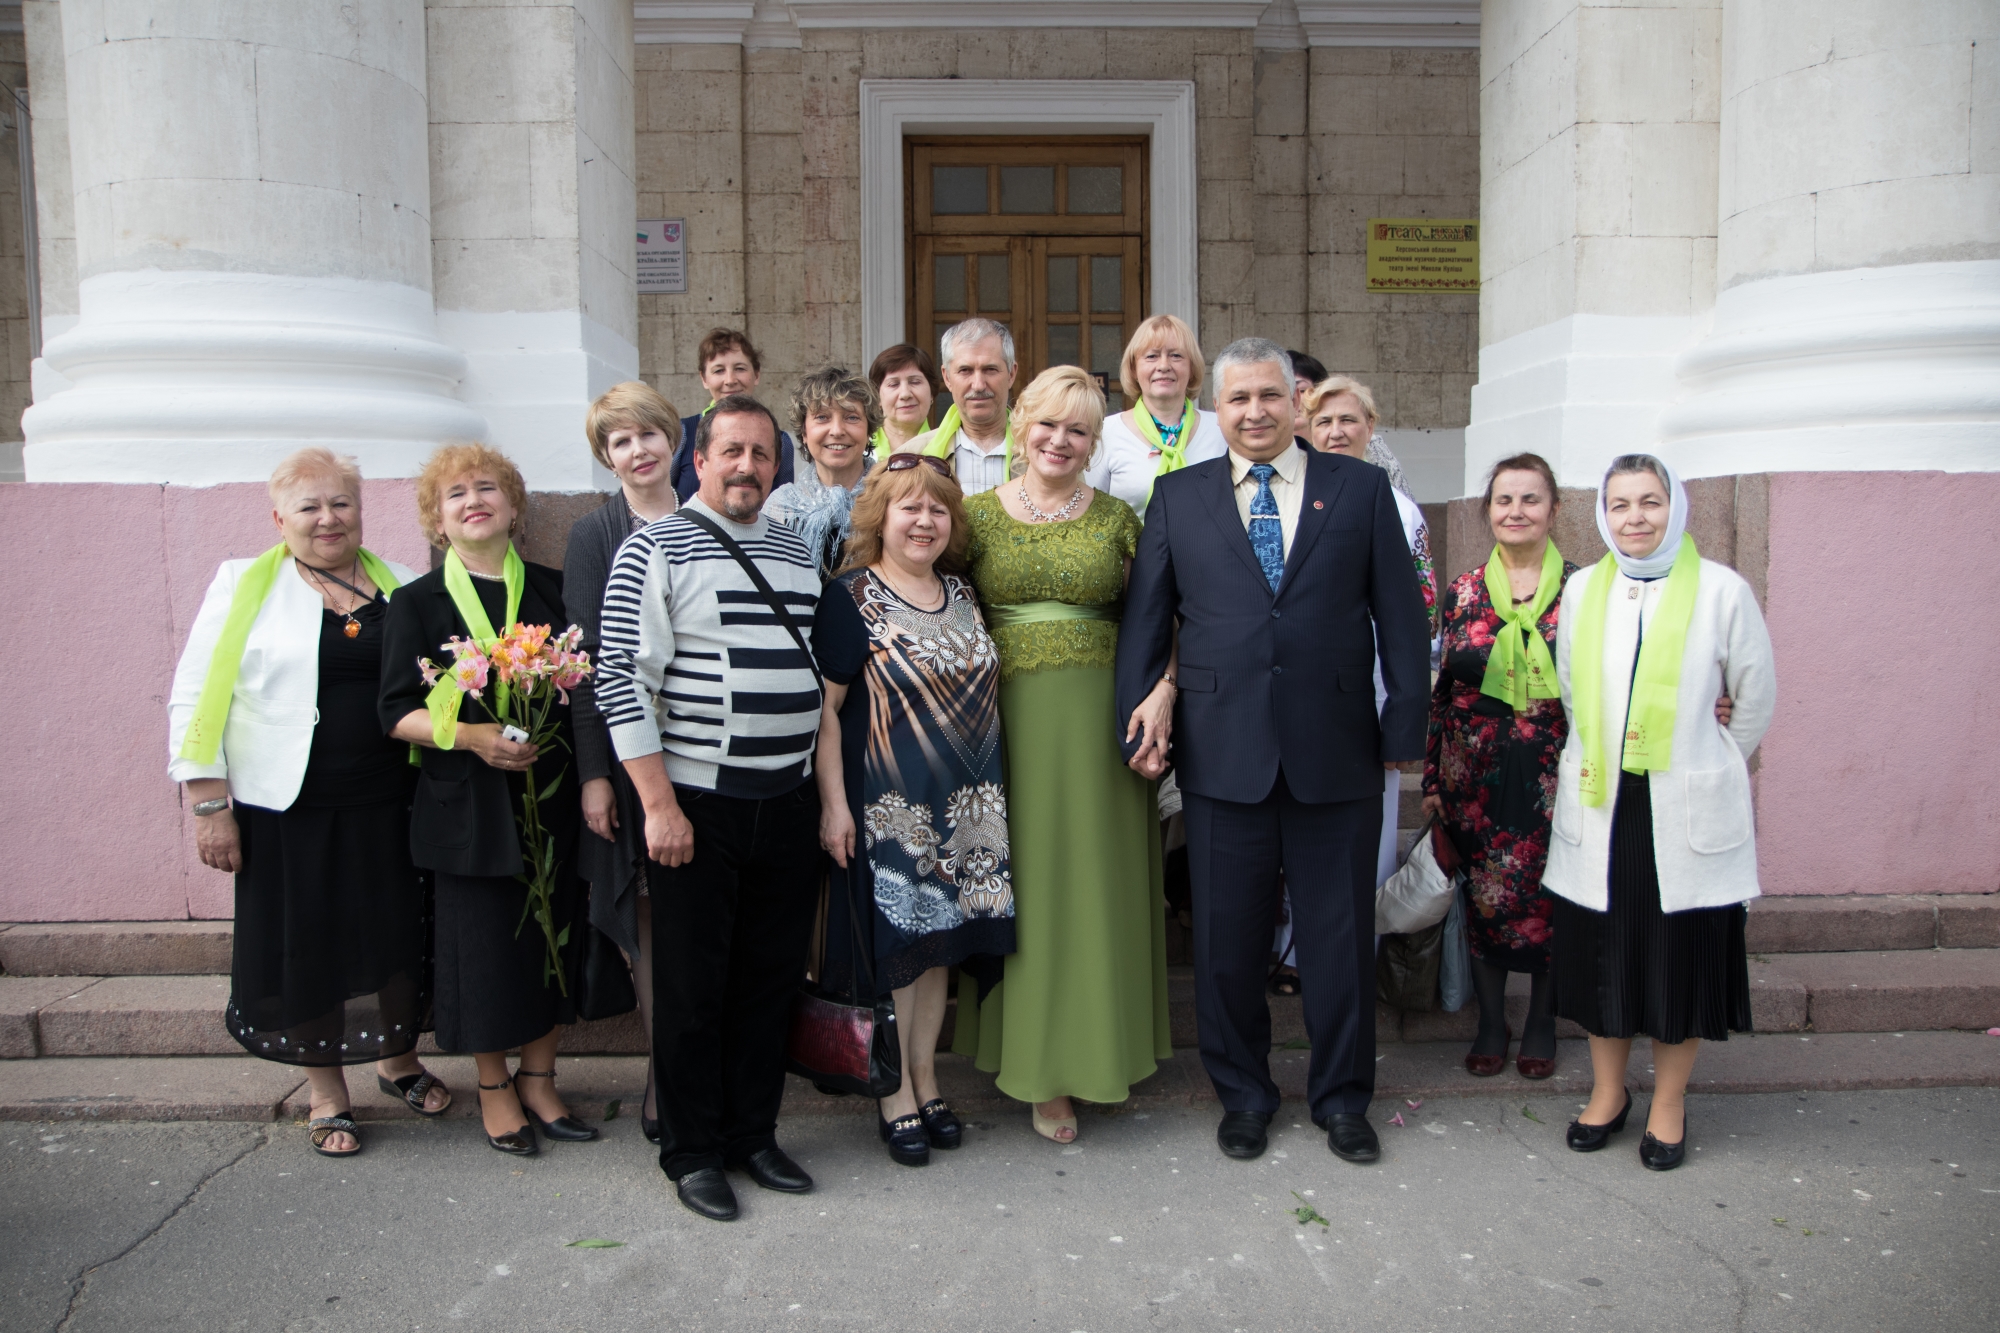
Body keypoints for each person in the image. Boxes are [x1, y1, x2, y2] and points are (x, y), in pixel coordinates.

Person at [1116, 339, 1429, 1166]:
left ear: (1297, 402)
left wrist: (1404, 729)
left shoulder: (1359, 489)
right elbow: (1148, 620)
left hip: (1339, 750)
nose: (1254, 412)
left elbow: (1402, 618)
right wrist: (1138, 723)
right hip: (1223, 751)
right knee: (1227, 943)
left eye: (1268, 396)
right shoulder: (1178, 496)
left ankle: (1342, 1098)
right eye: (1237, 399)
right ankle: (1245, 1096)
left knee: (1338, 941)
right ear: (1216, 410)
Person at [594, 393, 826, 1222]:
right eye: (731, 451)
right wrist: (658, 805)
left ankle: (752, 1134)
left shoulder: (796, 550)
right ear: (700, 460)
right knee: (693, 989)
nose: (747, 467)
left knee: (769, 980)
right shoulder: (654, 547)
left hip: (787, 799)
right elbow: (620, 679)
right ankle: (691, 1150)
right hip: (696, 803)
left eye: (762, 454)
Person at [168, 449, 437, 1158]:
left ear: (360, 510)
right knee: (309, 940)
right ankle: (326, 1091)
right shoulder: (244, 584)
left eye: (341, 502)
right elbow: (196, 691)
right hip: (287, 806)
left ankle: (397, 1060)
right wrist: (208, 801)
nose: (328, 518)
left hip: (391, 798)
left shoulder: (401, 583)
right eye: (309, 506)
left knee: (392, 931)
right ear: (278, 517)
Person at [953, 365, 1172, 1144]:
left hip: (1101, 727)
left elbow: (1163, 618)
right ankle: (1039, 1065)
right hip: (1003, 725)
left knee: (1093, 885)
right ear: (1021, 426)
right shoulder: (972, 517)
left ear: (1094, 442)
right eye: (1048, 424)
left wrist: (1164, 692)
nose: (1060, 440)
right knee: (1031, 885)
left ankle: (1101, 1047)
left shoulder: (1120, 519)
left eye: (1078, 430)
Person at [1546, 453, 1775, 1171]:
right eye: (1619, 504)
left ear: (1674, 508)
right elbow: (1571, 688)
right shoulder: (1584, 588)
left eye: (1649, 501)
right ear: (1602, 514)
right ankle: (1607, 1091)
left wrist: (1712, 753)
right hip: (1602, 803)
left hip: (1679, 805)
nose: (1635, 518)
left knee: (1679, 959)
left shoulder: (1721, 590)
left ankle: (1669, 1102)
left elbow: (1755, 695)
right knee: (1604, 955)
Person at [380, 443, 598, 1158]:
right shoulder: (416, 603)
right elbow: (395, 713)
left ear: (513, 505)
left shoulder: (554, 591)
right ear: (437, 520)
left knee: (552, 936)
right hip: (468, 805)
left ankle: (540, 1079)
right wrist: (472, 737)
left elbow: (584, 687)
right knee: (482, 950)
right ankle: (495, 1087)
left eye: (486, 488)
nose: (473, 501)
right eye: (456, 494)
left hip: (551, 794)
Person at [812, 454, 1017, 1167]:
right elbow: (825, 712)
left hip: (970, 809)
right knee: (900, 954)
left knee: (940, 953)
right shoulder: (850, 596)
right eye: (909, 507)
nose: (924, 521)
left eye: (937, 509)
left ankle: (927, 1080)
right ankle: (893, 1091)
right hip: (890, 807)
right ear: (881, 518)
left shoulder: (963, 592)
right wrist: (833, 806)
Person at [1421, 453, 1575, 1079]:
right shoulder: (1462, 590)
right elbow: (1441, 690)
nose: (1516, 511)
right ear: (1488, 511)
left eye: (1530, 499)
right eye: (1504, 500)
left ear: (1553, 510)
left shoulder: (1584, 591)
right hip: (1472, 771)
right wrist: (1432, 778)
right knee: (1481, 895)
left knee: (1552, 897)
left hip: (1553, 772)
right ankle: (1490, 1019)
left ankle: (1541, 1020)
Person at [565, 381, 682, 1145]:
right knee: (648, 922)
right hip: (629, 754)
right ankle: (664, 1073)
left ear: (673, 438)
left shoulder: (707, 516)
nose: (638, 450)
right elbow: (585, 663)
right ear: (607, 458)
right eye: (620, 441)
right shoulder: (594, 535)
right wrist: (594, 775)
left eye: (647, 434)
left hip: (705, 750)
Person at [1084, 314, 1227, 522]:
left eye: (1176, 356)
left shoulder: (1220, 429)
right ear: (1133, 369)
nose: (1163, 366)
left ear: (1192, 368)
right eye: (1151, 356)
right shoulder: (1105, 433)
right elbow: (1091, 517)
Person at [763, 366, 881, 581]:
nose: (837, 430)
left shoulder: (892, 498)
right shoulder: (781, 509)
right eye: (822, 417)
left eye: (851, 417)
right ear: (804, 432)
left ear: (869, 430)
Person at [670, 328, 798, 500]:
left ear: (756, 374)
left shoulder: (781, 442)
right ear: (704, 379)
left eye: (740, 368)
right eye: (718, 370)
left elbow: (783, 505)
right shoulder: (682, 432)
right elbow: (663, 493)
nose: (730, 380)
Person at [912, 318, 1018, 495]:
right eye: (965, 371)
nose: (978, 385)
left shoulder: (1043, 454)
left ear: (1011, 374)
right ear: (947, 377)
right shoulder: (914, 457)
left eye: (990, 369)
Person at [868, 343, 939, 454]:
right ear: (877, 396)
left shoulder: (948, 448)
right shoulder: (859, 449)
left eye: (915, 382)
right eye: (893, 384)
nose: (905, 394)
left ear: (931, 393)